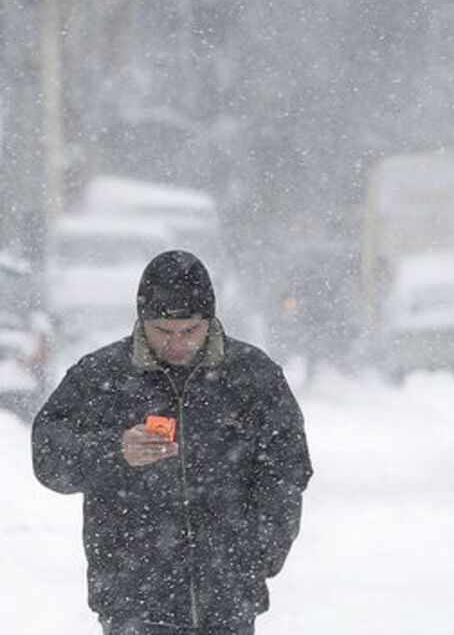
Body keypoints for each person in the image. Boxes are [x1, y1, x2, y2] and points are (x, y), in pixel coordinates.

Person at [32, 249, 312, 635]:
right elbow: (48, 457)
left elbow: (286, 470)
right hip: (133, 604)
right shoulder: (101, 377)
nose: (177, 343)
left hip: (227, 606)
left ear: (209, 320)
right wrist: (115, 451)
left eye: (190, 330)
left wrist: (259, 555)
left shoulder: (253, 377)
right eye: (163, 332)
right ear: (142, 321)